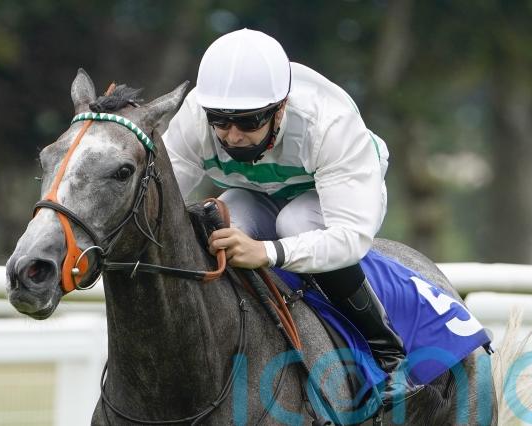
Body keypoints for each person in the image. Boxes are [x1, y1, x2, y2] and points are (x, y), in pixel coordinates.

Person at [162, 28, 413, 400]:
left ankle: (388, 353)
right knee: (219, 223)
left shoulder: (329, 124)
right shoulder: (194, 117)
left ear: (280, 108)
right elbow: (162, 207)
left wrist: (266, 252)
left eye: (249, 122)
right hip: (256, 191)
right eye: (220, 121)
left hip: (331, 195)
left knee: (294, 223)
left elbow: (350, 238)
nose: (232, 136)